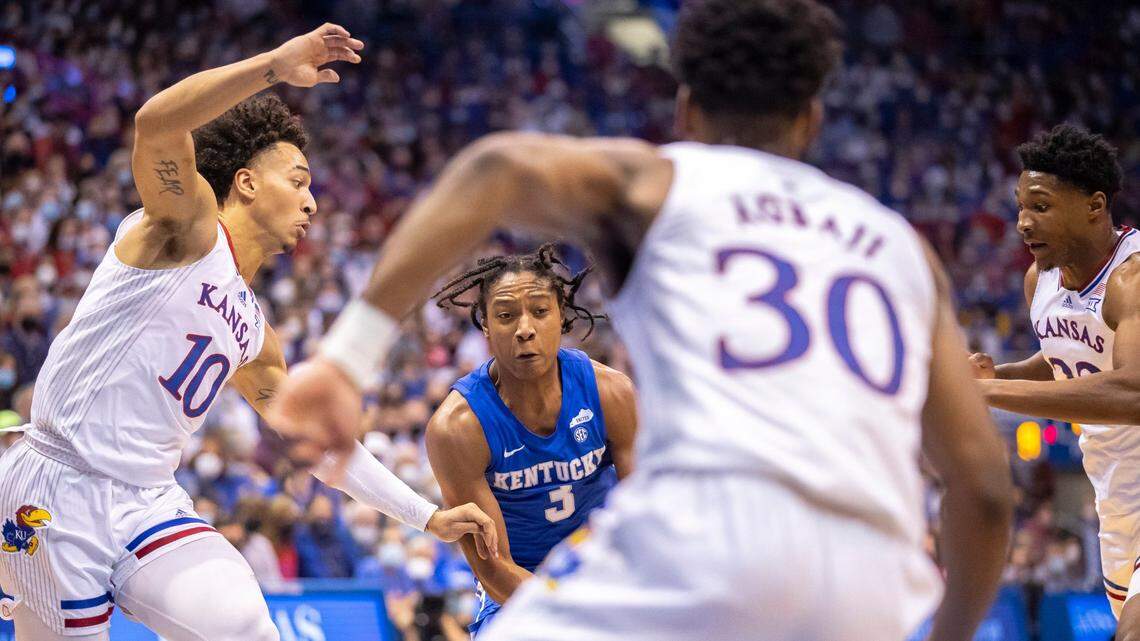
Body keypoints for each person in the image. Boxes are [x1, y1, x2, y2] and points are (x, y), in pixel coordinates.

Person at [273, 1, 1014, 639]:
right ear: (813, 119)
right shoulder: (900, 245)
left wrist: (347, 358)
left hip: (705, 542)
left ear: (685, 109)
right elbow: (982, 488)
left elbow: (496, 169)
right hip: (872, 582)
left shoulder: (662, 185)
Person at [0, 24, 495, 641]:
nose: (313, 202)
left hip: (149, 499)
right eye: (299, 179)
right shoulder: (186, 229)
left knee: (246, 626)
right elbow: (156, 124)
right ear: (247, 182)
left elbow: (325, 453)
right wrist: (273, 65)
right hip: (56, 480)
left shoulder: (255, 334)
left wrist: (426, 516)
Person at [968, 124, 1140, 635]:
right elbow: (1066, 360)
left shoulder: (1131, 280)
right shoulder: (1039, 280)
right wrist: (998, 373)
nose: (1022, 223)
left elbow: (1132, 392)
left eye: (1040, 207)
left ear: (1094, 205)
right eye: (1020, 206)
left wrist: (988, 391)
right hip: (1117, 498)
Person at [425, 245, 637, 636]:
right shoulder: (457, 427)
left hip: (610, 579)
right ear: (486, 325)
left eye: (540, 311)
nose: (525, 328)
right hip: (518, 593)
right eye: (506, 316)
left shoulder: (612, 392)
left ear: (561, 316)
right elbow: (493, 568)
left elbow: (649, 512)